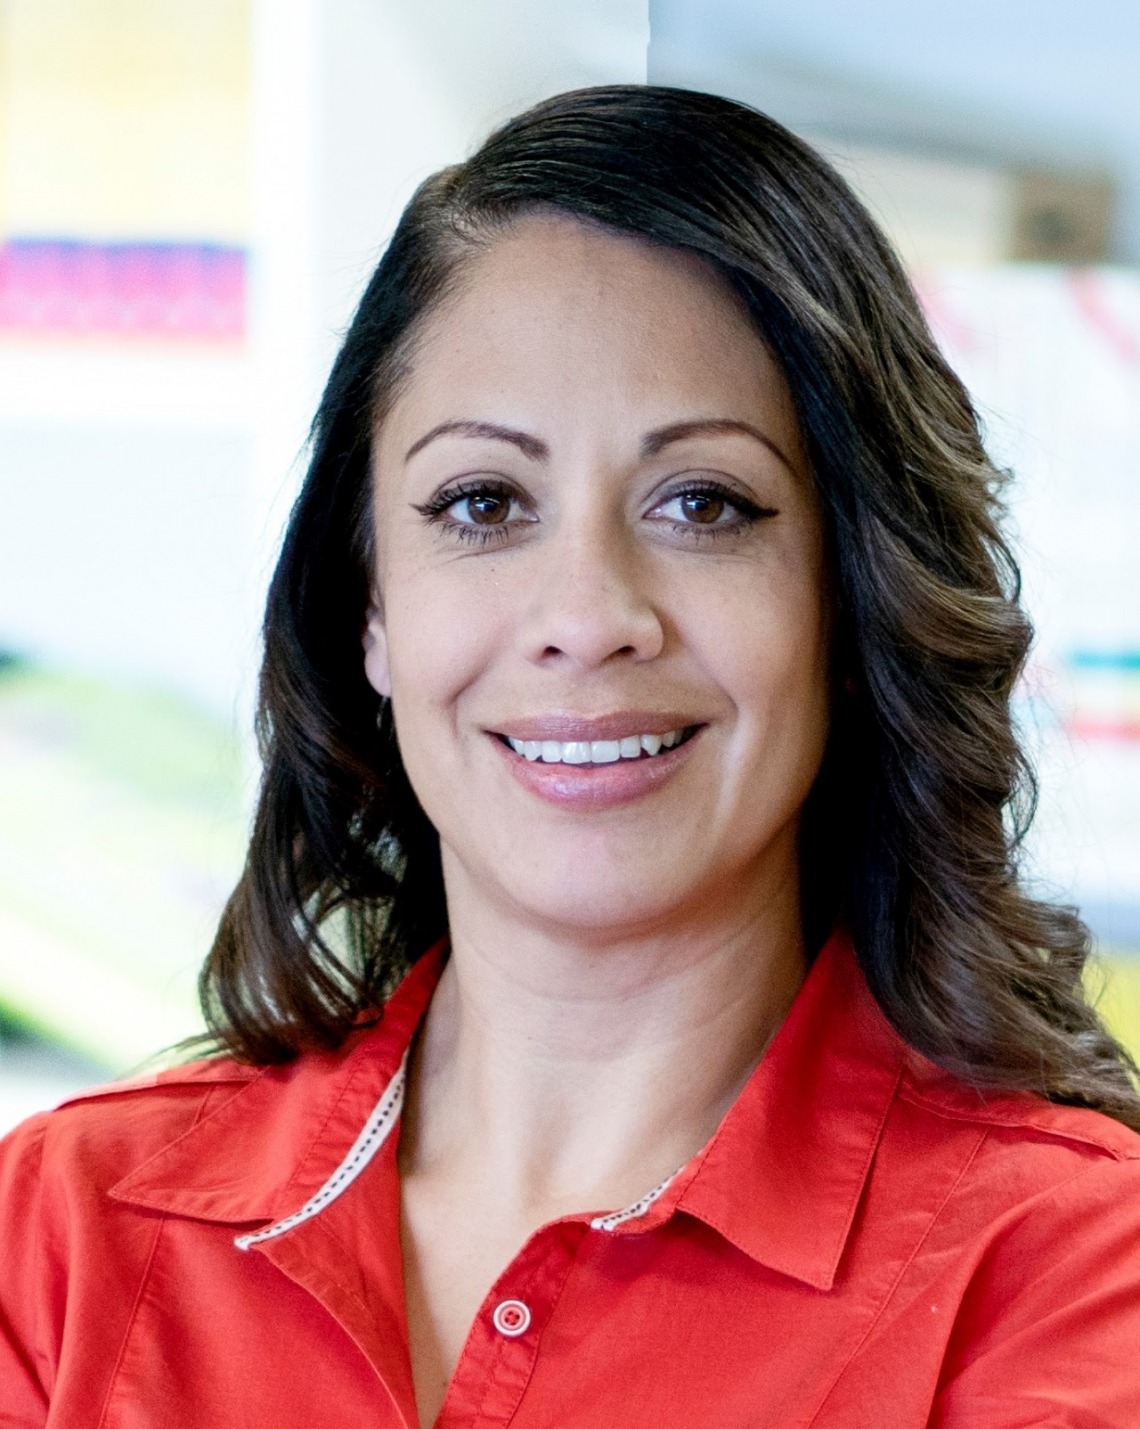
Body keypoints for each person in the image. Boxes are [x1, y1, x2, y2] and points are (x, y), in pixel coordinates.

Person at [2, 84, 1139, 1429]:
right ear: (371, 604)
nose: (590, 617)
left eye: (703, 502)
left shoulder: (1065, 1276)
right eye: (483, 503)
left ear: (850, 595)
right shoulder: (63, 1241)